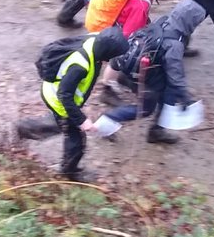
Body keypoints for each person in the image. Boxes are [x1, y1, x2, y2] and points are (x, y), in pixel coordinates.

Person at [14, 27, 132, 180]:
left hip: (59, 93)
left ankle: (26, 128)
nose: (112, 61)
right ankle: (69, 171)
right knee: (75, 138)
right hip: (58, 99)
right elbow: (65, 95)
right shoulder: (80, 66)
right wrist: (81, 120)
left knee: (62, 124)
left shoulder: (96, 39)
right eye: (112, 57)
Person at [103, 0, 207, 144]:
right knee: (146, 109)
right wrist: (185, 99)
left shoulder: (163, 21)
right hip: (144, 77)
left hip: (135, 69)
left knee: (168, 94)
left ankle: (157, 131)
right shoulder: (175, 43)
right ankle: (107, 121)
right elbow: (175, 75)